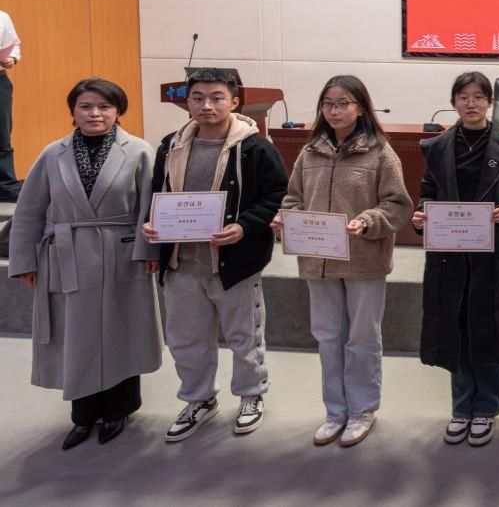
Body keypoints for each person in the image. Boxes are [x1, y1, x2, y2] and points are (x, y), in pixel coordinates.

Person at [7, 79, 161, 449]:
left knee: (121, 330)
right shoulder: (52, 154)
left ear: (118, 111)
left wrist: (149, 252)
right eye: (86, 106)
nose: (95, 114)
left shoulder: (139, 151)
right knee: (75, 336)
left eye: (105, 106)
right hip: (68, 255)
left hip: (121, 255)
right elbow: (28, 211)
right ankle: (83, 414)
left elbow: (150, 206)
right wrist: (25, 260)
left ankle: (120, 409)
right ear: (73, 111)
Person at [138, 67, 289, 442]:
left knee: (244, 336)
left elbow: (277, 195)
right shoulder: (171, 145)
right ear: (187, 102)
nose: (207, 105)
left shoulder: (255, 148)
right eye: (198, 98)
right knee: (186, 339)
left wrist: (244, 227)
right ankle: (199, 399)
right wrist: (153, 227)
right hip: (181, 262)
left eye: (216, 97)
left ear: (234, 102)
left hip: (234, 263)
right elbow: (157, 192)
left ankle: (251, 395)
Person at [272, 75, 412, 447]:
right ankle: (335, 412)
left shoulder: (381, 152)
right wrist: (286, 219)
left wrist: (367, 221)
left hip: (364, 259)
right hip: (318, 260)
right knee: (328, 336)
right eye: (328, 104)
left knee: (362, 337)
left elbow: (397, 205)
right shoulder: (309, 152)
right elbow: (293, 199)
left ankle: (362, 410)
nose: (334, 111)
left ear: (361, 107)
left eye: (343, 103)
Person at [411, 71, 499, 447]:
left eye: (479, 97)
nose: (471, 103)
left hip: (494, 252)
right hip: (451, 253)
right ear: (453, 102)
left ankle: (487, 408)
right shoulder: (437, 147)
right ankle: (462, 407)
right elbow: (427, 193)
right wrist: (421, 215)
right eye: (464, 97)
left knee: (488, 327)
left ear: (490, 102)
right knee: (456, 326)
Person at [0, 8, 21, 202]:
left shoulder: (2, 16)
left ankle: (6, 187)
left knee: (2, 135)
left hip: (0, 80)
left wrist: (11, 58)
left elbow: (14, 44)